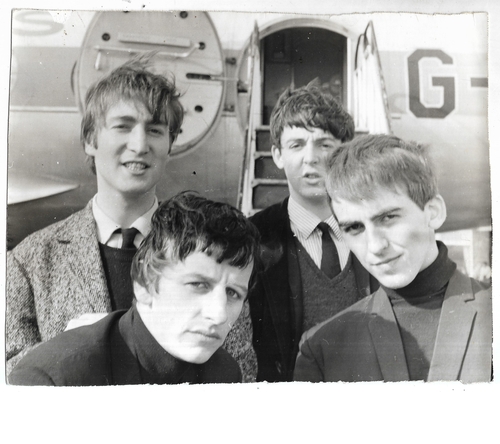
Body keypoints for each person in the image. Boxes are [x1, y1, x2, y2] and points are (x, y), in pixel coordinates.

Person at [6, 57, 256, 381]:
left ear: (170, 143)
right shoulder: (29, 261)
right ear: (90, 140)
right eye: (123, 126)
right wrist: (79, 344)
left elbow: (241, 373)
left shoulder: (214, 252)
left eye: (155, 130)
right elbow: (10, 379)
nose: (139, 146)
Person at [294, 134, 492, 382]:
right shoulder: (322, 347)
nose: (375, 246)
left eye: (388, 218)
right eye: (355, 228)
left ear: (433, 213)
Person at [9, 192, 261, 385]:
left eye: (233, 293)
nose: (219, 314)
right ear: (144, 286)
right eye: (198, 284)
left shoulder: (225, 373)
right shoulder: (54, 378)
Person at [248, 82, 376, 382]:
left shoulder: (375, 232)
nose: (311, 157)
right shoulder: (255, 237)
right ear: (277, 155)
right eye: (296, 145)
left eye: (325, 144)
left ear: (344, 151)